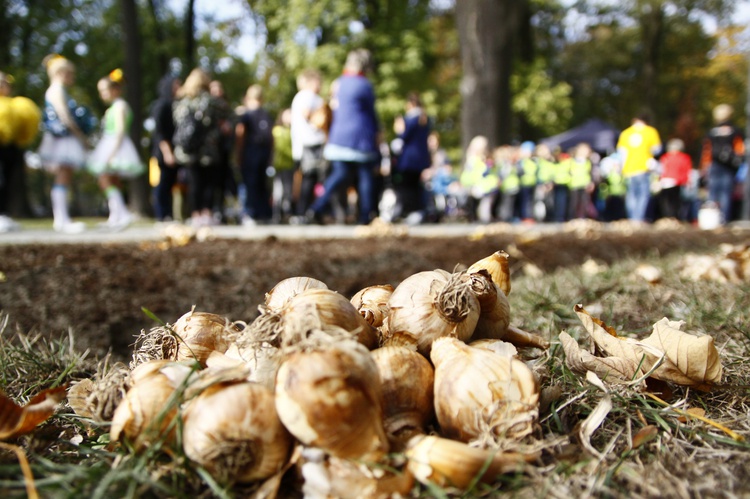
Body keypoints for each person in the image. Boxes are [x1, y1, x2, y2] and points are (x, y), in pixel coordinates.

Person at [307, 49, 380, 225]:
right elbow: (372, 115)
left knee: (339, 174)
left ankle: (316, 208)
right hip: (360, 138)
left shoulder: (337, 83)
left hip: (338, 137)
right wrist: (378, 136)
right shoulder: (364, 85)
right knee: (365, 176)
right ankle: (365, 216)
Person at [37, 54, 94, 233]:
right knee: (63, 174)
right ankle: (61, 219)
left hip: (63, 138)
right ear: (61, 73)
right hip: (63, 139)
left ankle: (62, 218)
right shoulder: (57, 90)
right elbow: (65, 116)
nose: (72, 78)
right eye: (70, 73)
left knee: (64, 175)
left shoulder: (57, 90)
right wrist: (81, 137)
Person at [87, 69, 145, 230]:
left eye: (104, 90)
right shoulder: (114, 107)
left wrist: (112, 153)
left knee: (104, 178)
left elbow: (119, 130)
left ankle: (122, 214)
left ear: (115, 90)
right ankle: (117, 215)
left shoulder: (119, 106)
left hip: (115, 144)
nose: (102, 94)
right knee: (113, 180)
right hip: (112, 143)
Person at [172, 68, 228, 227]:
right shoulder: (209, 100)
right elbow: (224, 111)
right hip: (207, 148)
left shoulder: (182, 101)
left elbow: (178, 122)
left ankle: (195, 215)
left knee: (194, 182)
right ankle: (207, 213)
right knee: (208, 182)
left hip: (188, 149)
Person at [0, 72, 40, 232]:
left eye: (4, 83)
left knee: (9, 180)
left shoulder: (17, 105)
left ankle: (4, 214)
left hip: (11, 147)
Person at [290, 69, 329, 221]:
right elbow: (309, 115)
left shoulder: (301, 97)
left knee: (310, 180)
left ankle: (306, 212)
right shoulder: (308, 96)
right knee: (309, 180)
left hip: (305, 144)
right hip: (311, 145)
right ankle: (304, 212)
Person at [235, 84, 274, 226]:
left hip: (252, 153)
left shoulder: (250, 115)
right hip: (258, 152)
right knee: (255, 184)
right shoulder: (258, 115)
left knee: (253, 183)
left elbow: (240, 135)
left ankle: (252, 212)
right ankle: (256, 212)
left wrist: (238, 154)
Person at [700, 104, 745, 224]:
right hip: (728, 167)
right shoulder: (735, 131)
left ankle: (711, 220)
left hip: (714, 165)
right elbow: (740, 149)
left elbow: (706, 151)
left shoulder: (712, 132)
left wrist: (704, 167)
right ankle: (724, 219)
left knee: (712, 192)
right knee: (726, 192)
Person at [390, 92, 431, 224]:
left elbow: (403, 137)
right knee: (416, 185)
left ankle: (410, 209)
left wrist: (399, 130)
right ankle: (418, 210)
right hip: (421, 159)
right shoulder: (425, 119)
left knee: (406, 186)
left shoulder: (410, 120)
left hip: (409, 160)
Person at [617, 113, 662, 222]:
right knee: (643, 195)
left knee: (631, 195)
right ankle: (639, 219)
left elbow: (621, 153)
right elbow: (657, 149)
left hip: (628, 169)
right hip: (643, 168)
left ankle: (632, 218)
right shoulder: (650, 131)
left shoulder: (626, 133)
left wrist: (620, 168)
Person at [149, 74, 181, 222]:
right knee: (162, 184)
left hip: (173, 151)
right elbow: (160, 133)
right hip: (163, 153)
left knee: (169, 185)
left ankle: (168, 214)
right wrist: (168, 153)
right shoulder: (161, 106)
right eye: (176, 85)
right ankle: (162, 215)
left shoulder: (175, 105)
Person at [209, 79, 237, 224]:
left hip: (224, 150)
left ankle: (222, 210)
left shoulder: (227, 109)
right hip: (210, 151)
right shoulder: (206, 107)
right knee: (211, 182)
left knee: (225, 181)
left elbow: (233, 122)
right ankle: (212, 210)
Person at [459, 136, 499, 223]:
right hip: (474, 189)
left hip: (487, 189)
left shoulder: (488, 161)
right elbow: (467, 177)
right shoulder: (472, 161)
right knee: (476, 211)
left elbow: (490, 176)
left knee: (484, 212)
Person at [657, 138, 692, 220]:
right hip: (677, 182)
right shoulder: (684, 158)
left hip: (665, 182)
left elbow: (661, 170)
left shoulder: (665, 157)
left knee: (666, 201)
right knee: (675, 201)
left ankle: (667, 217)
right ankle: (674, 217)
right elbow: (686, 171)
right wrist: (686, 181)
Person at [271, 108, 295, 223]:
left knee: (288, 190)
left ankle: (287, 213)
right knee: (278, 191)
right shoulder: (276, 130)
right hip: (278, 166)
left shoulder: (293, 131)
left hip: (289, 165)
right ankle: (276, 214)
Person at [565, 142, 595, 219]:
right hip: (574, 185)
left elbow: (590, 173)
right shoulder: (571, 161)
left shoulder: (588, 162)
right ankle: (571, 218)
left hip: (584, 185)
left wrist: (591, 183)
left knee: (584, 203)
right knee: (573, 203)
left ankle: (582, 218)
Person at [517, 141, 537, 222]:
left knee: (530, 201)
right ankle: (524, 216)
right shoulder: (521, 162)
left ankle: (529, 215)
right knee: (524, 201)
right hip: (523, 184)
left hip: (531, 184)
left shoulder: (533, 161)